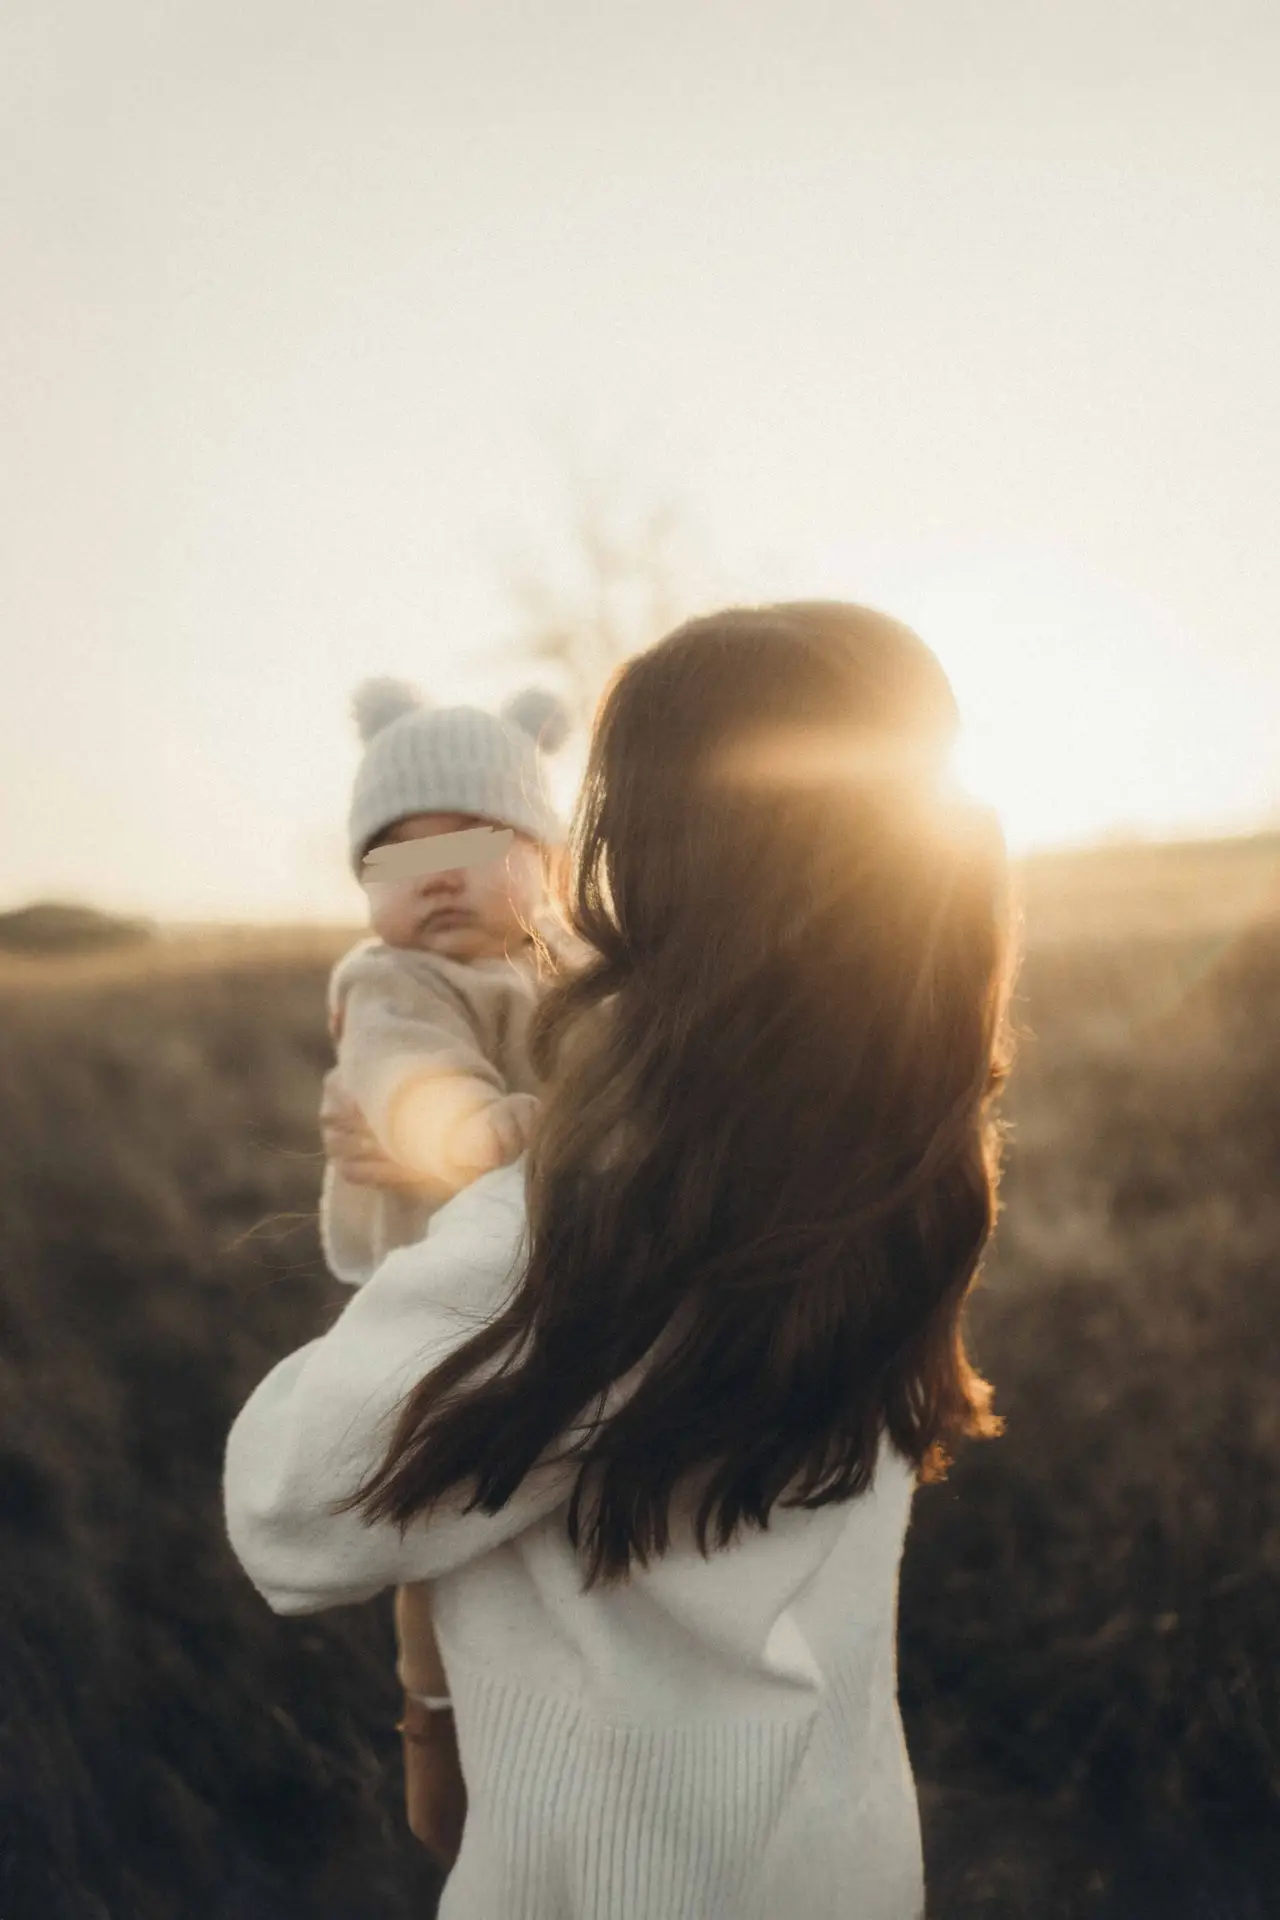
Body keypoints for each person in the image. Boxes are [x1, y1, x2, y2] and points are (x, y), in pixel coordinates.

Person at [225, 601, 1019, 1920]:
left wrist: (462, 1193)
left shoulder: (575, 1230)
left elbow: (289, 1511)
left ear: (649, 857)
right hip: (844, 1866)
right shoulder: (907, 1153)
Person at [318, 671, 583, 1865]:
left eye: (474, 844)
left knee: (540, 1521)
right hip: (432, 1308)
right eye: (391, 861)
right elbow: (403, 1073)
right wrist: (467, 1131)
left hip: (555, 1303)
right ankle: (432, 1730)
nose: (432, 876)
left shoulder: (573, 971)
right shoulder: (394, 980)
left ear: (544, 858)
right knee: (430, 1513)